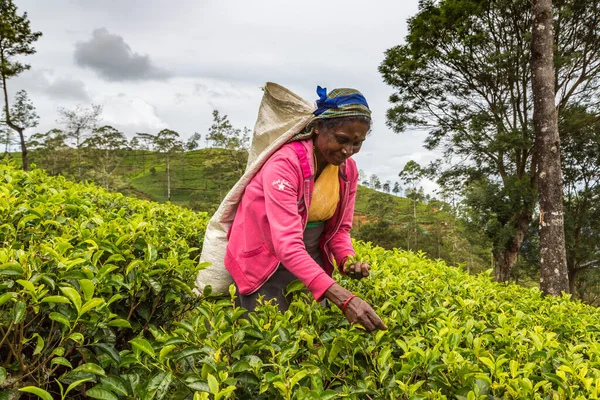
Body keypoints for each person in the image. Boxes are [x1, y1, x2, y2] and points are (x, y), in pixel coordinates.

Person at [224, 86, 387, 332]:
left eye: (357, 143)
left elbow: (340, 229)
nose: (348, 151)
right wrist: (345, 299)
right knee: (262, 339)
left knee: (306, 338)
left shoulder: (347, 170)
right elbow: (287, 244)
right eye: (342, 139)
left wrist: (347, 259)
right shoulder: (284, 164)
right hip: (265, 260)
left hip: (309, 260)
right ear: (319, 127)